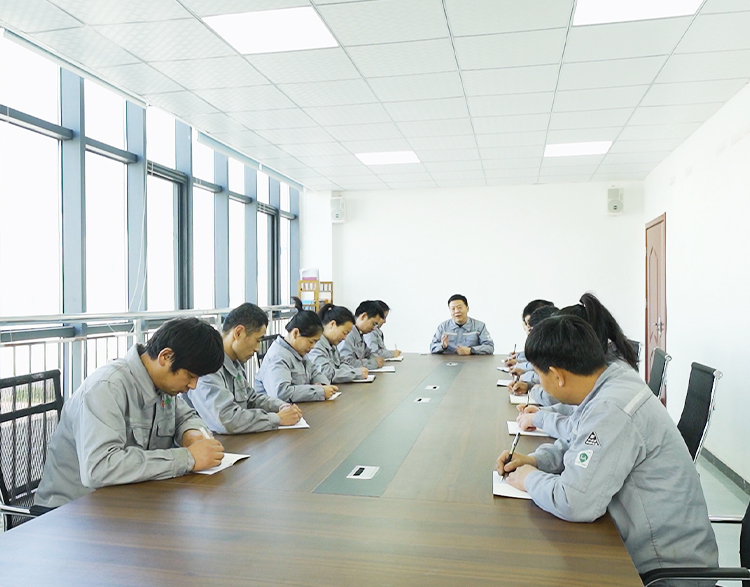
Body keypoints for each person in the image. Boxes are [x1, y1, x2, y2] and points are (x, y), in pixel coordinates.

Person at [496, 315, 718, 582]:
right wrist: (535, 461)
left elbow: (574, 502)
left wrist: (529, 479)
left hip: (664, 572)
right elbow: (577, 438)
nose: (539, 384)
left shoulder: (611, 408)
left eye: (539, 375)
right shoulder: (611, 382)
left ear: (557, 375)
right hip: (648, 549)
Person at [34, 318, 226, 509]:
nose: (193, 385)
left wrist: (191, 433)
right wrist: (187, 458)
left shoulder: (163, 386)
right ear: (165, 357)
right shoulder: (107, 387)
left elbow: (186, 417)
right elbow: (100, 468)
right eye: (191, 376)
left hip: (126, 503)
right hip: (72, 512)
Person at [516, 293, 639, 438]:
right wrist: (543, 414)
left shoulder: (608, 396)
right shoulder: (605, 372)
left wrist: (540, 412)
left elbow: (580, 430)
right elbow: (578, 417)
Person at [187, 303, 302, 433]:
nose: (257, 349)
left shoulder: (235, 362)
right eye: (257, 340)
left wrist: (281, 406)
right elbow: (227, 420)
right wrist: (277, 418)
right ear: (238, 333)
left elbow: (251, 398)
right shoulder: (207, 365)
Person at [254, 299, 338, 402]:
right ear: (295, 333)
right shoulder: (278, 356)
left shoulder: (299, 352)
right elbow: (281, 393)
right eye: (311, 341)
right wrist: (319, 391)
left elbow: (315, 372)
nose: (313, 346)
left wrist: (322, 384)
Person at [307, 303, 368, 384]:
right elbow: (327, 374)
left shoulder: (332, 344)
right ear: (332, 324)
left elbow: (342, 363)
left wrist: (349, 371)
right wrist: (355, 373)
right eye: (344, 333)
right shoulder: (316, 345)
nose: (345, 338)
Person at [430, 294, 494, 355]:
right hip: (449, 361)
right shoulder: (443, 327)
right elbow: (432, 347)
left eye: (460, 307)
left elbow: (489, 347)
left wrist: (471, 350)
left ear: (467, 308)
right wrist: (442, 346)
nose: (456, 311)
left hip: (473, 361)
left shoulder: (479, 326)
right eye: (453, 309)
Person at [505, 299, 554, 367]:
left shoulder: (552, 342)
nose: (528, 328)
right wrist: (519, 356)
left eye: (531, 324)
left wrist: (519, 364)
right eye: (526, 324)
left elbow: (542, 366)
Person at [338, 300, 386, 370]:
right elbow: (347, 363)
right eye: (373, 324)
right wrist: (373, 363)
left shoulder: (359, 333)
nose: (374, 328)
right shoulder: (348, 334)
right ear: (363, 316)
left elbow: (368, 353)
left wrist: (376, 358)